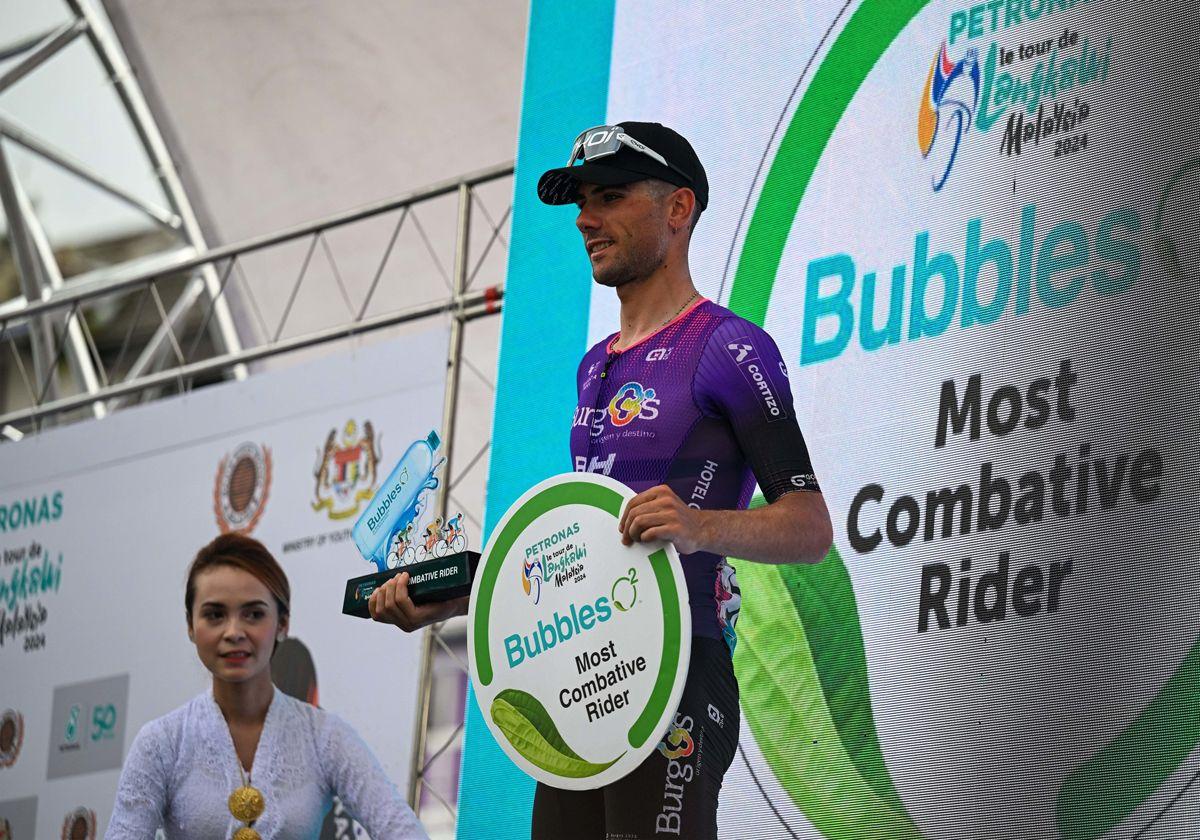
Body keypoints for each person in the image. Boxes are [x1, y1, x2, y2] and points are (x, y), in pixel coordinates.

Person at [369, 121, 833, 839]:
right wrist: (446, 599)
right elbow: (584, 553)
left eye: (610, 197)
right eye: (582, 201)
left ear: (678, 209)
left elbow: (809, 527)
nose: (586, 218)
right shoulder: (594, 365)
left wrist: (701, 525)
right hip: (583, 681)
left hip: (680, 672)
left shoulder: (729, 347)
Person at [106, 533, 428, 840]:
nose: (233, 632)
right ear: (190, 625)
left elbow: (400, 828)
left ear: (282, 624)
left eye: (253, 614)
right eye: (215, 614)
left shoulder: (324, 737)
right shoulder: (161, 743)